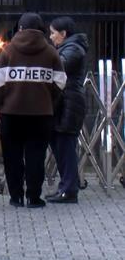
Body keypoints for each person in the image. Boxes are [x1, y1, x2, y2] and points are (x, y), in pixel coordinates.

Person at [0, 13, 66, 208]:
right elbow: (60, 81)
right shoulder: (50, 53)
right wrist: (49, 99)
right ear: (41, 30)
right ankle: (34, 197)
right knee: (36, 156)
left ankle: (16, 197)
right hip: (41, 114)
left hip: (11, 114)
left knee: (12, 156)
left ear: (20, 29)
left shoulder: (8, 51)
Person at [47, 16, 88, 204]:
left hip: (69, 103)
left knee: (65, 146)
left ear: (63, 34)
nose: (50, 37)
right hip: (64, 103)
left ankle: (69, 189)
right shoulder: (67, 48)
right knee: (59, 145)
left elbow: (58, 67)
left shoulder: (73, 49)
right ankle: (67, 185)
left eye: (53, 33)